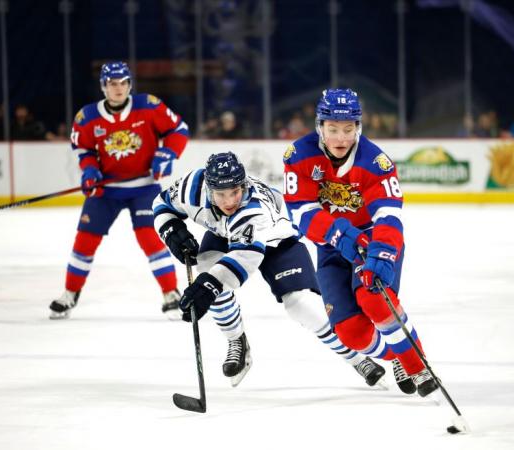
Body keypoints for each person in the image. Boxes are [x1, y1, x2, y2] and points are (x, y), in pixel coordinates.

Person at [153, 152, 386, 388]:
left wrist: (208, 286)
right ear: (208, 189)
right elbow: (161, 204)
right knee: (208, 271)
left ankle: (357, 357)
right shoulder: (192, 186)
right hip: (224, 235)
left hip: (278, 241)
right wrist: (171, 230)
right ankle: (237, 342)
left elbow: (244, 258)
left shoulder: (253, 210)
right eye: (221, 194)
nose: (229, 201)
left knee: (300, 304)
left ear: (243, 184)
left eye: (235, 191)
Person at [281, 88, 439, 397]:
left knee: (374, 299)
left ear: (358, 127)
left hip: (372, 242)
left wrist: (382, 251)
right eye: (333, 129)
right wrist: (337, 234)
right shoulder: (299, 156)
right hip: (330, 248)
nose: (341, 138)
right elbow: (300, 211)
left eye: (348, 129)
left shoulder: (375, 162)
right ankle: (396, 354)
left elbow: (389, 215)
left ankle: (417, 366)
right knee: (351, 333)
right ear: (320, 127)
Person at [48, 61, 189, 320]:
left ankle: (171, 294)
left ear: (130, 84)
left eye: (123, 82)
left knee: (151, 240)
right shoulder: (88, 117)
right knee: (84, 243)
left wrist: (166, 154)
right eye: (113, 84)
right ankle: (70, 293)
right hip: (106, 190)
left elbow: (178, 130)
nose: (119, 88)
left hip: (144, 188)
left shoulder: (148, 105)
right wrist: (90, 171)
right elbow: (84, 150)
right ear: (104, 86)